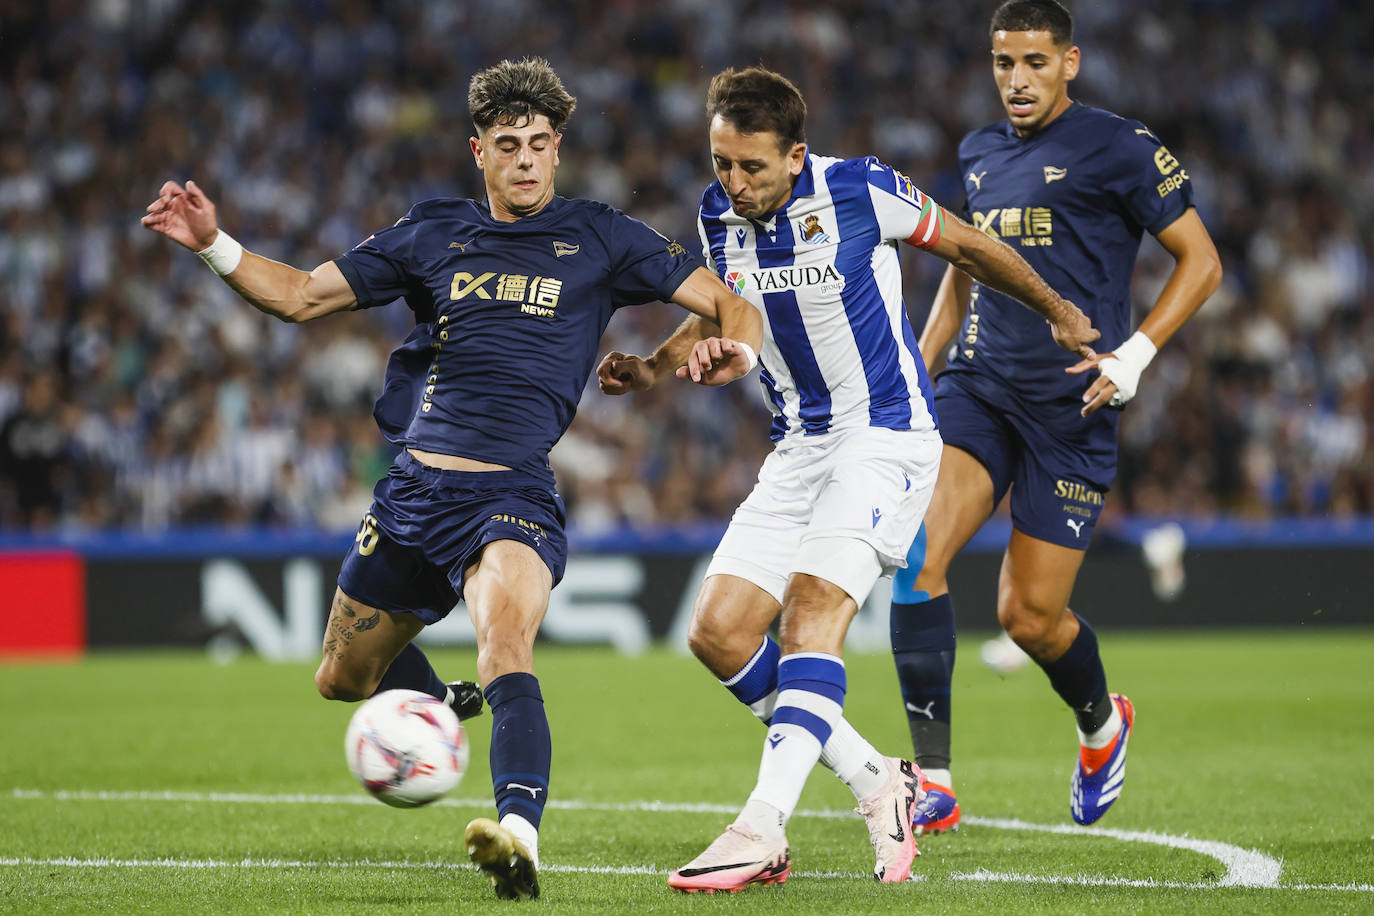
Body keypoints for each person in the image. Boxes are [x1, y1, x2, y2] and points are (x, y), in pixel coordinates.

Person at [141, 57, 762, 902]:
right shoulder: (433, 234)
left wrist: (675, 365)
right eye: (509, 145)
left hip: (512, 497)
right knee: (343, 680)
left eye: (541, 144)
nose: (528, 161)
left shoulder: (602, 235)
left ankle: (518, 838)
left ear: (558, 149)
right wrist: (211, 243)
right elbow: (295, 296)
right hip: (412, 494)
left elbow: (729, 301)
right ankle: (448, 701)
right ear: (480, 151)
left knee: (508, 642)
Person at [596, 66, 1098, 892]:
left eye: (751, 166)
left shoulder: (862, 190)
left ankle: (761, 827)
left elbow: (968, 244)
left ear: (796, 155)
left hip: (887, 435)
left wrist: (1054, 308)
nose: (734, 182)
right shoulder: (718, 214)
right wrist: (657, 367)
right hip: (799, 445)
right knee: (717, 632)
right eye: (721, 162)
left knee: (811, 615)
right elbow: (727, 304)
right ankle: (878, 780)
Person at [888, 0, 1223, 834]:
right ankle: (933, 780)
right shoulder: (978, 152)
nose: (1017, 80)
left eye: (1035, 62)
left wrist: (1134, 354)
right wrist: (913, 378)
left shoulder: (1121, 146)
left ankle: (1102, 727)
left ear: (1068, 63)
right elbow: (964, 269)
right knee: (918, 552)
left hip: (1074, 404)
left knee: (1027, 618)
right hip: (980, 388)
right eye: (1004, 64)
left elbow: (1202, 260)